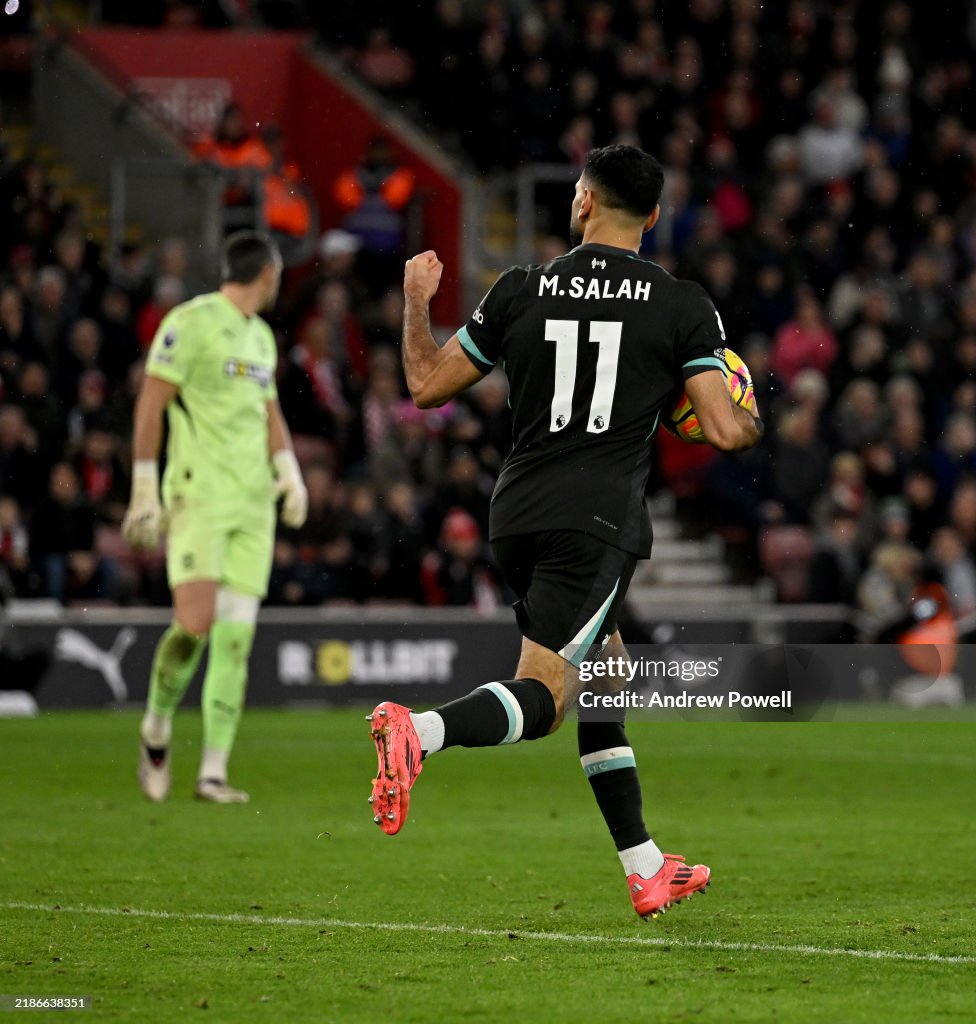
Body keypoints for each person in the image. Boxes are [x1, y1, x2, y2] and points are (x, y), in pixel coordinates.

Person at [366, 145, 762, 919]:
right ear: (653, 217)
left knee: (607, 671)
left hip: (517, 514)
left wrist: (416, 301)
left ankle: (646, 867)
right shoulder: (681, 304)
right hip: (597, 521)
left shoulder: (522, 287)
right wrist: (751, 414)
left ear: (583, 201)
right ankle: (420, 731)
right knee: (547, 699)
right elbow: (721, 428)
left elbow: (424, 386)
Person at [122, 231, 308, 804]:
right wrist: (144, 487)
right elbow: (151, 403)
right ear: (268, 275)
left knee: (235, 641)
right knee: (195, 624)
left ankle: (213, 773)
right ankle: (156, 726)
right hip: (199, 494)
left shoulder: (260, 337)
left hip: (253, 504)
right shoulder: (191, 322)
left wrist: (289, 471)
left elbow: (268, 411)